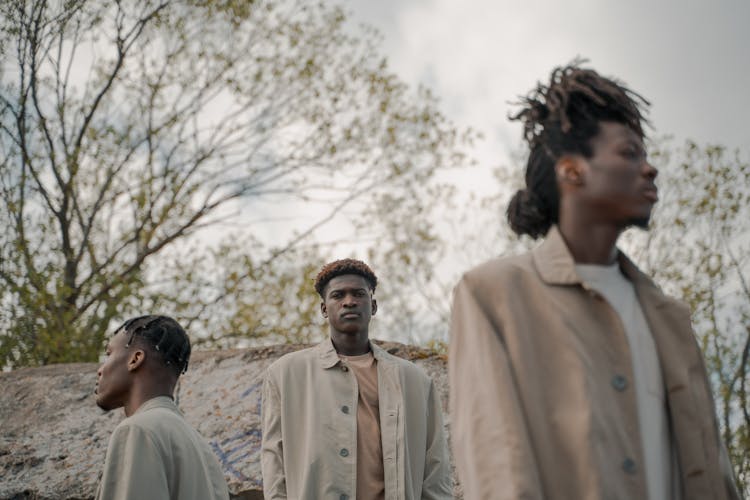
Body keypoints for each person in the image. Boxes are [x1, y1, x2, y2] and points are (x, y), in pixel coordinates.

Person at [449, 62, 741, 500]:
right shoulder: (494, 294)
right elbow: (496, 465)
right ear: (572, 171)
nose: (650, 170)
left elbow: (715, 473)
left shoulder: (671, 319)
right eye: (630, 154)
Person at [261, 258, 452, 499]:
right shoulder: (285, 374)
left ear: (373, 306)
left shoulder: (414, 380)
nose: (349, 302)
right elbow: (273, 462)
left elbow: (436, 469)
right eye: (338, 295)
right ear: (323, 309)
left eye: (358, 294)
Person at [95, 315, 229, 500]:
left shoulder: (138, 430)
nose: (100, 369)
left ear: (135, 359)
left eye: (108, 354)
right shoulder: (202, 449)